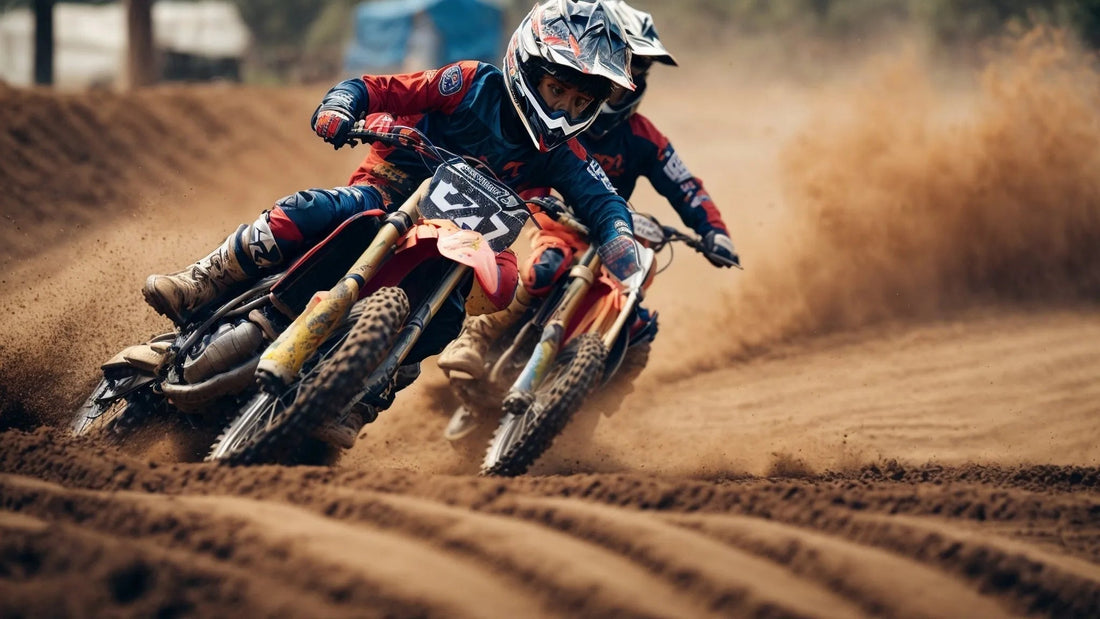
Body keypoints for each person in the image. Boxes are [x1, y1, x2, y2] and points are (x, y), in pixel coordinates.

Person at [141, 0, 641, 448]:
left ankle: (365, 395)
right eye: (557, 90)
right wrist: (343, 106)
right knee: (325, 209)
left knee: (461, 307)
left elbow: (604, 200)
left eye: (579, 102)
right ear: (527, 66)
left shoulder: (567, 155)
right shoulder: (469, 83)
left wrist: (619, 238)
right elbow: (379, 88)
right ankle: (206, 277)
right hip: (394, 188)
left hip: (470, 241)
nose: (563, 109)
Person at [439, 0, 740, 439]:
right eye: (627, 66)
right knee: (542, 269)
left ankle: (596, 402)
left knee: (640, 327)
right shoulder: (552, 118)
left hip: (608, 240)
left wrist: (714, 231)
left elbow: (684, 184)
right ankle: (477, 337)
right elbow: (518, 163)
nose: (632, 80)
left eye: (641, 72)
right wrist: (541, 198)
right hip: (557, 228)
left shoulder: (643, 137)